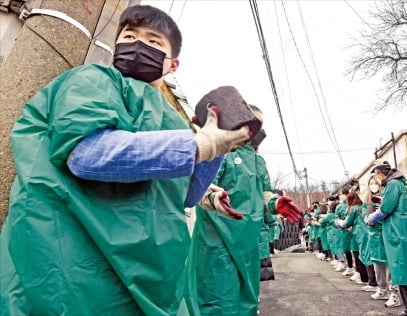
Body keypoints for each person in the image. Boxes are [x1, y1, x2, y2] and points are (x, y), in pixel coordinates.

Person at [0, 5, 250, 314]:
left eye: (154, 41)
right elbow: (88, 155)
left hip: (148, 273)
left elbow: (184, 195)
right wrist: (199, 146)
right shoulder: (94, 80)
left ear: (173, 64)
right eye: (129, 36)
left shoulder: (172, 118)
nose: (138, 45)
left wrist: (216, 150)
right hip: (78, 269)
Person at [184, 105, 302, 315]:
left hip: (248, 241)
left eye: (261, 126)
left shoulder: (257, 160)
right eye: (254, 123)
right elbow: (199, 190)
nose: (257, 131)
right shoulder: (219, 151)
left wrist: (274, 203)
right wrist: (213, 198)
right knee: (218, 299)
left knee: (247, 299)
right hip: (217, 241)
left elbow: (264, 192)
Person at [366, 163, 407, 316]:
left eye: (376, 176)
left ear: (381, 174)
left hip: (404, 236)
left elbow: (385, 209)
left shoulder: (394, 184)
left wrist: (371, 218)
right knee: (400, 274)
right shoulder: (392, 185)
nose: (376, 180)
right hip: (397, 235)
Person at [364, 175, 401, 307]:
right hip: (373, 236)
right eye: (371, 184)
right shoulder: (367, 202)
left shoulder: (387, 197)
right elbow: (365, 215)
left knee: (390, 265)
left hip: (386, 233)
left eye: (376, 183)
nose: (373, 186)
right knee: (377, 264)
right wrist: (366, 218)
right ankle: (382, 289)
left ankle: (394, 293)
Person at [337, 191, 379, 290]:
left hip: (361, 234)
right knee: (367, 255)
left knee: (365, 256)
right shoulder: (362, 207)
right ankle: (370, 280)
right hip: (367, 233)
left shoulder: (354, 208)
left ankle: (372, 282)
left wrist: (339, 222)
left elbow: (347, 223)